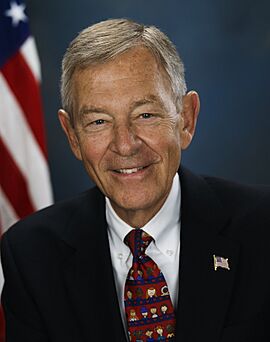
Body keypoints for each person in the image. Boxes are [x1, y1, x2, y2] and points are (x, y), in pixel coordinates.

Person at [1, 18, 270, 342]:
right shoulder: (31, 254)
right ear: (72, 136)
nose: (125, 144)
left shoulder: (263, 228)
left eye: (145, 115)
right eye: (99, 121)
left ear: (186, 119)